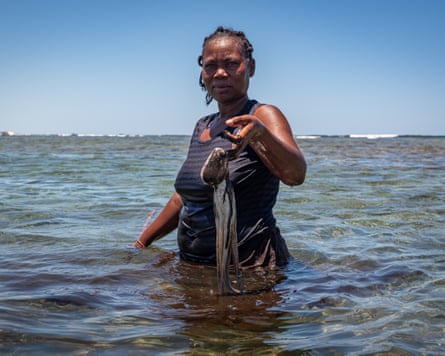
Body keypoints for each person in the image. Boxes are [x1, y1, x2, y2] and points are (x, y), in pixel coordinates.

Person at [134, 26, 306, 268]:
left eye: (231, 63)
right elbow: (183, 198)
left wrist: (260, 135)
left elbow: (296, 175)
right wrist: (141, 244)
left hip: (249, 270)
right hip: (195, 265)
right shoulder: (203, 125)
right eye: (210, 65)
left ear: (252, 67)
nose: (220, 73)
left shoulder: (262, 115)